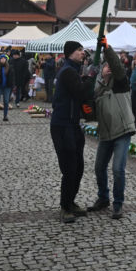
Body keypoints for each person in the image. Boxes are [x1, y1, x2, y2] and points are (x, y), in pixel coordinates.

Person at [87, 45, 135, 219]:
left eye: (110, 66)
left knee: (117, 169)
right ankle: (103, 198)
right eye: (105, 66)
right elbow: (92, 106)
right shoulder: (98, 87)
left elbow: (117, 65)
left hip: (122, 131)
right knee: (99, 167)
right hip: (106, 133)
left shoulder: (121, 82)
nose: (109, 68)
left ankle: (118, 204)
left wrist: (107, 49)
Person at [50, 40, 94, 224]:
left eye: (82, 50)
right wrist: (91, 77)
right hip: (63, 125)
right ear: (70, 53)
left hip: (73, 124)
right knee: (70, 168)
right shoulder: (68, 71)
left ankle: (71, 201)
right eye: (79, 50)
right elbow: (80, 92)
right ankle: (65, 207)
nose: (82, 53)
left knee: (78, 167)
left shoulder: (73, 70)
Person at [0, 54, 15, 122]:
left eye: (4, 59)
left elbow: (12, 77)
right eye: (1, 59)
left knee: (6, 102)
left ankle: (5, 116)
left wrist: (13, 86)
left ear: (6, 60)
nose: (3, 60)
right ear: (0, 60)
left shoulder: (10, 67)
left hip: (7, 87)